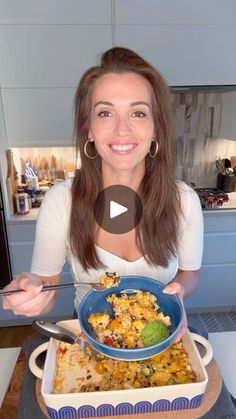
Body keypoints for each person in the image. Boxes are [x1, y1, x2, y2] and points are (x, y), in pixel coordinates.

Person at [2, 47, 203, 337]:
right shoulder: (62, 201)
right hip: (90, 340)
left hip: (159, 333)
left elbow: (191, 272)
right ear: (89, 129)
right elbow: (44, 286)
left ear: (156, 127)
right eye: (106, 112)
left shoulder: (184, 201)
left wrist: (181, 288)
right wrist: (30, 293)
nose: (122, 129)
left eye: (138, 112)